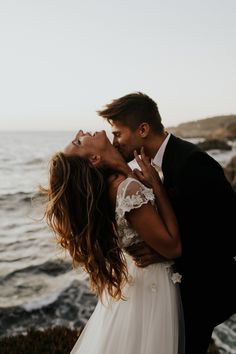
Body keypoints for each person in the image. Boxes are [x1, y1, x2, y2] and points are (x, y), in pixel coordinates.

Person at [97, 92, 236, 354]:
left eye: (117, 133)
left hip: (206, 290)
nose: (114, 142)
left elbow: (227, 232)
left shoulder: (191, 163)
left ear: (143, 129)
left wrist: (164, 252)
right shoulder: (149, 165)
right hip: (177, 290)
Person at [42, 130, 185, 354]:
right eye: (79, 141)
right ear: (94, 159)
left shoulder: (119, 184)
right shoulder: (126, 189)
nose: (81, 132)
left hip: (139, 280)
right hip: (152, 286)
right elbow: (173, 247)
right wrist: (157, 186)